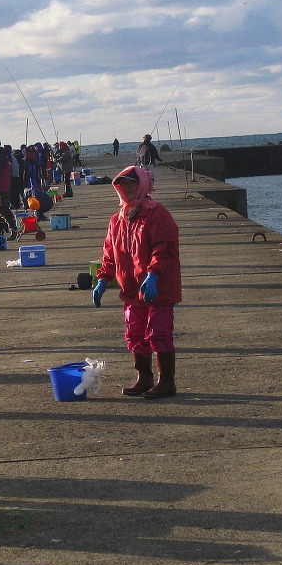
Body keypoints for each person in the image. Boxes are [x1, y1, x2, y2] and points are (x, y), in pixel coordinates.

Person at [92, 166, 181, 399]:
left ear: (142, 185)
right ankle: (144, 377)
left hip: (158, 287)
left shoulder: (157, 213)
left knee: (159, 332)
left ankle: (167, 381)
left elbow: (164, 247)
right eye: (124, 185)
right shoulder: (117, 220)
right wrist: (103, 279)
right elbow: (109, 255)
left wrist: (153, 275)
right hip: (131, 290)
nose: (128, 189)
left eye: (132, 184)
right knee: (135, 332)